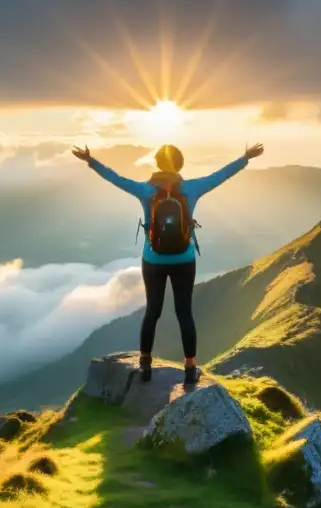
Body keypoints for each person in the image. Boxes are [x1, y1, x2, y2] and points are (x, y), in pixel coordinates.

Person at [72, 141, 264, 387]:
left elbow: (115, 179)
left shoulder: (145, 191)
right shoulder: (192, 188)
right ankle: (190, 368)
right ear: (180, 165)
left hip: (153, 259)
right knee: (185, 313)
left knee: (152, 311)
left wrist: (90, 160)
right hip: (184, 259)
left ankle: (145, 366)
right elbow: (221, 175)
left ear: (157, 164)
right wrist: (245, 157)